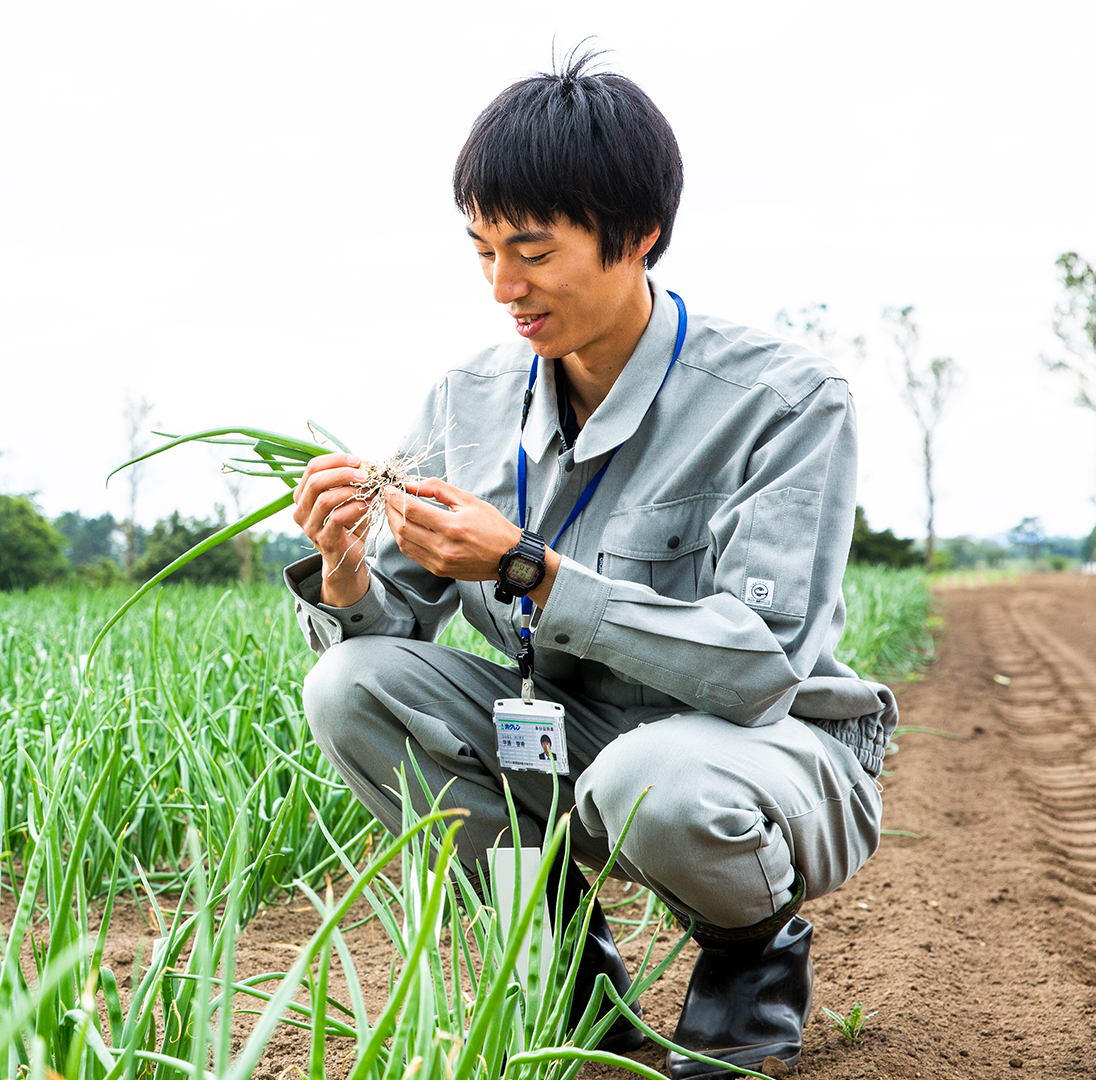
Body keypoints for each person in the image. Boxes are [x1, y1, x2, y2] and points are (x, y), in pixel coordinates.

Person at [285, 49, 893, 1079]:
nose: (502, 288)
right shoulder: (466, 397)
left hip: (762, 753)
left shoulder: (783, 400)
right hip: (572, 737)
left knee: (655, 774)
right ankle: (568, 963)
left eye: (531, 251)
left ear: (639, 237)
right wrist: (345, 568)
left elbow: (762, 665)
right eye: (480, 250)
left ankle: (752, 954)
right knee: (350, 684)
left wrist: (530, 569)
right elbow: (392, 622)